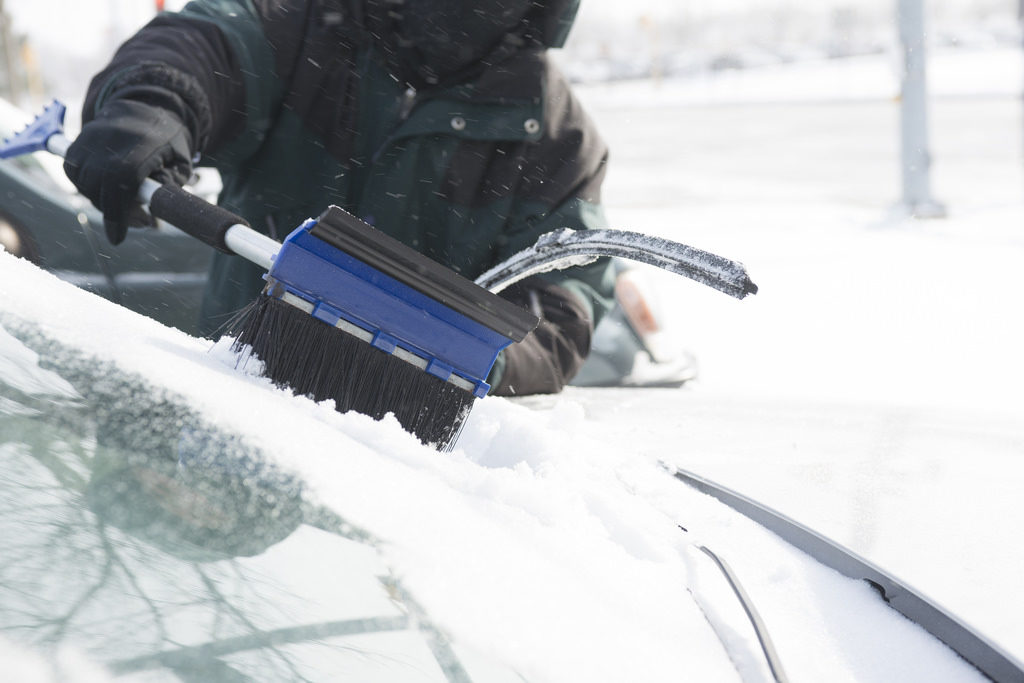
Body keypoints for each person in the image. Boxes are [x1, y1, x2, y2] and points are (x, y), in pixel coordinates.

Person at [64, 0, 616, 396]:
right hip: (225, 398)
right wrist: (154, 103)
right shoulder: (302, 27)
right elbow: (206, 41)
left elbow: (561, 314)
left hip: (400, 461)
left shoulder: (555, 136)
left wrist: (456, 353)